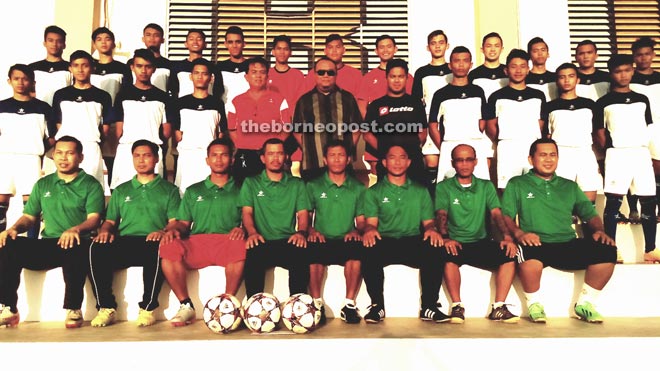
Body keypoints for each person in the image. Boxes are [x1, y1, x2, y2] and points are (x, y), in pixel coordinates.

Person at [502, 138, 617, 323]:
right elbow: (505, 215)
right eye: (542, 155)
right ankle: (534, 304)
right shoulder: (517, 183)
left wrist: (598, 230)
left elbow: (590, 213)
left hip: (567, 242)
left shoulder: (569, 186)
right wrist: (519, 234)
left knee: (607, 250)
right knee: (527, 253)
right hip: (536, 242)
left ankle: (585, 304)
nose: (548, 159)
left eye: (552, 155)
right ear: (531, 159)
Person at [0, 136, 104, 328]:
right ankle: (9, 308)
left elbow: (94, 219)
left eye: (70, 153)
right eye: (59, 153)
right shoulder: (43, 184)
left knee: (74, 246)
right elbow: (30, 217)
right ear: (53, 156)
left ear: (80, 157)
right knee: (8, 244)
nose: (63, 158)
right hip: (49, 243)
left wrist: (75, 229)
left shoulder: (90, 184)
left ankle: (73, 308)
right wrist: (13, 228)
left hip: (78, 242)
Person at [89, 140, 180, 327]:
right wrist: (105, 232)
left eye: (146, 155)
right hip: (126, 241)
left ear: (156, 159)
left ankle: (148, 308)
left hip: (151, 242)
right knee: (95, 248)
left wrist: (163, 232)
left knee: (159, 248)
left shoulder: (169, 190)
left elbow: (174, 223)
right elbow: (110, 221)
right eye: (137, 156)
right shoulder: (122, 190)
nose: (141, 160)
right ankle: (106, 307)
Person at [159, 137, 245, 327]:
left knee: (240, 244)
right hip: (197, 242)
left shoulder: (242, 189)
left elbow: (249, 219)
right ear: (207, 160)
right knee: (169, 246)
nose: (219, 159)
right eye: (214, 155)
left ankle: (228, 304)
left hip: (226, 242)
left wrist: (242, 229)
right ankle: (186, 305)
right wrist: (174, 231)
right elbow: (183, 223)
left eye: (224, 155)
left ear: (232, 159)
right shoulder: (193, 190)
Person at [361, 144, 448, 324]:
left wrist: (432, 229)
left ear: (408, 162)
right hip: (385, 240)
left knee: (435, 247)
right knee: (368, 247)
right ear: (384, 163)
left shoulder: (420, 190)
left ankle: (429, 306)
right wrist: (369, 231)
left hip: (412, 240)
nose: (397, 162)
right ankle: (377, 306)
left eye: (402, 158)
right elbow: (371, 224)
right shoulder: (373, 192)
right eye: (392, 157)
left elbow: (428, 222)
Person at [435, 144, 518, 324]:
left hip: (481, 241)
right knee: (447, 256)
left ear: (475, 162)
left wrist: (507, 237)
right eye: (459, 160)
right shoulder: (444, 187)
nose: (464, 164)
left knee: (510, 255)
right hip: (455, 242)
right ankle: (457, 306)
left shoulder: (486, 186)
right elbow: (441, 214)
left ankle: (498, 307)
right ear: (453, 163)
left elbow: (496, 213)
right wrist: (446, 238)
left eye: (468, 160)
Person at [596, 54, 659, 263]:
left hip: (640, 153)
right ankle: (610, 250)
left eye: (626, 70)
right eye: (617, 71)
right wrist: (610, 151)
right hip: (618, 154)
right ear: (611, 74)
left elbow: (648, 127)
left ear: (632, 71)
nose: (623, 75)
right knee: (613, 202)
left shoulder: (643, 99)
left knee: (648, 201)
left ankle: (650, 249)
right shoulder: (603, 102)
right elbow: (600, 133)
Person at [239, 138, 311, 297]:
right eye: (271, 154)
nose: (275, 158)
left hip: (288, 239)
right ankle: (255, 306)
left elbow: (303, 214)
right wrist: (252, 233)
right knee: (252, 254)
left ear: (286, 156)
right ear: (263, 158)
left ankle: (298, 304)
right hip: (261, 239)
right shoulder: (251, 182)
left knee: (301, 252)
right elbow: (247, 213)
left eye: (279, 153)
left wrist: (301, 232)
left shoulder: (297, 184)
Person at [306, 140, 366, 324]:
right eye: (332, 155)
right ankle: (317, 304)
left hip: (346, 238)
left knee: (357, 249)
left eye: (341, 155)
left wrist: (357, 231)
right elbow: (306, 219)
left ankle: (349, 304)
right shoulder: (313, 185)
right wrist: (311, 230)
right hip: (322, 238)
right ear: (325, 160)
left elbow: (362, 221)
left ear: (348, 159)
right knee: (312, 251)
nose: (337, 159)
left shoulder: (358, 187)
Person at [0, 64, 56, 238]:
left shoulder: (43, 108)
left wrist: (38, 150)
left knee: (31, 204)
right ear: (9, 81)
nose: (20, 82)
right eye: (16, 78)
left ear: (32, 82)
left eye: (25, 79)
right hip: (5, 157)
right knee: (1, 201)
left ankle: (31, 245)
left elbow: (52, 137)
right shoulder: (1, 106)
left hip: (31, 159)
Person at [485, 49, 546, 192]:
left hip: (531, 147)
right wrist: (505, 139)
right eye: (513, 66)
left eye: (522, 66)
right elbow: (490, 126)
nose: (518, 70)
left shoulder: (538, 95)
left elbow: (541, 124)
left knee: (534, 191)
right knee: (507, 192)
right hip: (507, 148)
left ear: (528, 69)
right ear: (506, 70)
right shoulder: (496, 96)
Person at [111, 48, 171, 190]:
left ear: (154, 68)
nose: (143, 70)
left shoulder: (162, 97)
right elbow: (119, 130)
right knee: (124, 194)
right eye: (139, 66)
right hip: (127, 152)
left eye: (148, 66)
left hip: (153, 151)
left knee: (154, 195)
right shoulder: (122, 95)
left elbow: (166, 130)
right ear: (132, 67)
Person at [293, 57, 361, 181]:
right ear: (314, 74)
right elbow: (297, 131)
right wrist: (310, 148)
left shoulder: (348, 98)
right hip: (313, 165)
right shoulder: (304, 101)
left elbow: (356, 129)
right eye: (321, 72)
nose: (326, 75)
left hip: (342, 166)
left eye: (330, 72)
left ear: (336, 75)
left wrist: (346, 151)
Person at [357, 35, 414, 182]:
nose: (385, 50)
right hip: (377, 137)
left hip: (402, 135)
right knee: (377, 175)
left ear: (395, 49)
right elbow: (362, 107)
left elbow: (413, 107)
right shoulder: (369, 77)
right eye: (381, 47)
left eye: (389, 46)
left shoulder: (407, 77)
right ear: (376, 51)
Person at [52, 50, 113, 187]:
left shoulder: (102, 96)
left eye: (85, 65)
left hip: (91, 147)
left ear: (92, 68)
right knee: (64, 187)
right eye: (76, 65)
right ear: (70, 68)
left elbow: (106, 129)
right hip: (66, 148)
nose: (80, 69)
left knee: (90, 187)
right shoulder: (61, 94)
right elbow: (58, 123)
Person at [363, 58, 428, 187]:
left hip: (413, 161)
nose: (397, 80)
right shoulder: (376, 105)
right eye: (393, 76)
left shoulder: (416, 103)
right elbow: (367, 133)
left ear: (407, 78)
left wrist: (410, 150)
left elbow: (423, 132)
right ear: (386, 77)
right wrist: (385, 151)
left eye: (401, 76)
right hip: (386, 163)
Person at [428, 46, 489, 182]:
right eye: (456, 61)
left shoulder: (478, 91)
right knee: (447, 189)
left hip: (475, 145)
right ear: (450, 65)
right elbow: (432, 125)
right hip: (449, 144)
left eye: (465, 61)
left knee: (480, 187)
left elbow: (483, 121)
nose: (461, 65)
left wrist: (474, 136)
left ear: (471, 64)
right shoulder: (440, 94)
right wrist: (444, 146)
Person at [227, 57, 290, 182]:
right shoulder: (236, 101)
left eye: (262, 72)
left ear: (267, 76)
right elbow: (232, 128)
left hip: (270, 156)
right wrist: (243, 144)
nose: (258, 76)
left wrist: (273, 148)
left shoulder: (280, 99)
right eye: (254, 72)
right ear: (246, 76)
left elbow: (287, 127)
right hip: (245, 154)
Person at [547, 63, 601, 207]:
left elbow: (597, 133)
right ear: (557, 81)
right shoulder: (549, 106)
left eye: (571, 76)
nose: (566, 80)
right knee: (561, 201)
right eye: (562, 77)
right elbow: (546, 135)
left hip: (585, 152)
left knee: (589, 203)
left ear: (577, 80)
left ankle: (590, 229)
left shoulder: (590, 105)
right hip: (562, 153)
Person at [171, 58, 227, 193]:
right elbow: (177, 134)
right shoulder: (180, 103)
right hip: (187, 158)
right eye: (196, 73)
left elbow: (221, 133)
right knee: (184, 195)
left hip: (208, 159)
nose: (200, 77)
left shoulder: (217, 103)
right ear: (191, 76)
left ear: (211, 78)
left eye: (204, 73)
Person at [90, 27, 132, 183]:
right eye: (99, 39)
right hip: (91, 120)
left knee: (112, 163)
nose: (103, 42)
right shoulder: (89, 66)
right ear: (94, 44)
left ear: (113, 43)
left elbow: (126, 95)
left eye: (107, 38)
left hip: (114, 120)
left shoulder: (122, 68)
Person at [411, 30, 452, 187]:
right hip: (429, 122)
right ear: (428, 47)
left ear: (447, 46)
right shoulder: (422, 72)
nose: (437, 46)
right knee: (431, 164)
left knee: (452, 164)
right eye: (433, 43)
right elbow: (416, 102)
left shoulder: (453, 69)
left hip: (450, 122)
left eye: (441, 43)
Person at [468, 32, 508, 182]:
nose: (492, 49)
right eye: (488, 46)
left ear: (502, 49)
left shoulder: (508, 72)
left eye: (496, 46)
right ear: (482, 49)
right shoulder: (473, 75)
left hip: (504, 126)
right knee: (488, 167)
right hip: (483, 127)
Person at [631, 36, 660, 223]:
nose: (643, 58)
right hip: (635, 130)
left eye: (647, 54)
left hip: (657, 129)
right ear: (634, 56)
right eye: (639, 55)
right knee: (634, 168)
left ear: (653, 54)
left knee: (657, 170)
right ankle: (634, 209)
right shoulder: (628, 77)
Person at [267, 35, 305, 175]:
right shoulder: (266, 74)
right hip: (270, 129)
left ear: (291, 52)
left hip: (292, 129)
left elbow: (300, 103)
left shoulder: (298, 75)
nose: (282, 52)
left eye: (285, 49)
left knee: (294, 170)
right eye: (278, 49)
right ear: (273, 51)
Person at [168, 29, 219, 99]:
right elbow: (173, 91)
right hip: (184, 107)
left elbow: (217, 91)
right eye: (191, 39)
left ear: (205, 44)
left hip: (207, 107)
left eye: (199, 39)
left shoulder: (212, 67)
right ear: (186, 44)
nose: (195, 42)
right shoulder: (177, 67)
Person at [29, 25, 71, 106]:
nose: (54, 44)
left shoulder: (71, 68)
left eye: (58, 41)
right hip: (39, 111)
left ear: (64, 45)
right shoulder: (32, 68)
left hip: (62, 113)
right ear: (44, 43)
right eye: (50, 40)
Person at [215, 26, 249, 105]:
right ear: (225, 44)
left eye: (238, 42)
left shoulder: (251, 66)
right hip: (226, 114)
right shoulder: (219, 67)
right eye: (230, 42)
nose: (234, 46)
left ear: (244, 43)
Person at [140, 23, 172, 93]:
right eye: (148, 35)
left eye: (156, 35)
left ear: (162, 40)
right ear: (143, 39)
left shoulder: (169, 65)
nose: (152, 38)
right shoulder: (134, 63)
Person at [525, 37, 557, 101]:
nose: (540, 54)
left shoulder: (556, 77)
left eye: (543, 50)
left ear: (548, 54)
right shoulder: (525, 78)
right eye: (535, 51)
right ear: (529, 55)